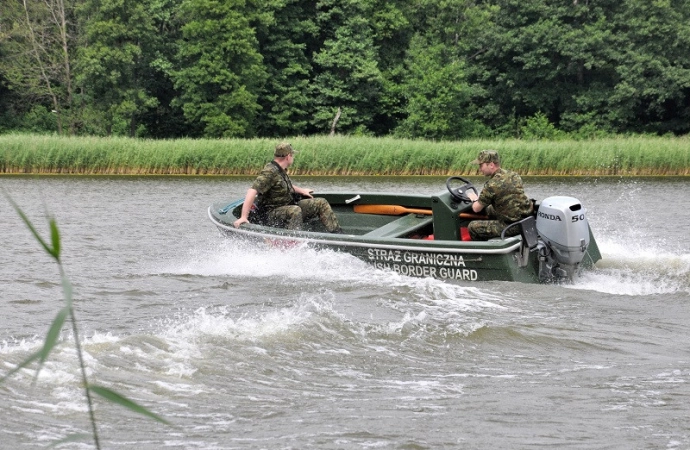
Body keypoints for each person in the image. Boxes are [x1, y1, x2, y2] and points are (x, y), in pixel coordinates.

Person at [233, 142, 342, 233]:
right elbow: (252, 190)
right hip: (271, 213)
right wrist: (244, 217)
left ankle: (338, 236)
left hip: (287, 206)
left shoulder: (280, 169)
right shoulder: (270, 171)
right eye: (292, 155)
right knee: (295, 211)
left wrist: (302, 190)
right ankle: (292, 243)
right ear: (288, 156)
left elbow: (284, 185)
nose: (293, 158)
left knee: (320, 203)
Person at [465, 149, 533, 240]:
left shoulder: (492, 184)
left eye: (481, 165)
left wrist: (474, 199)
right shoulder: (513, 175)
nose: (480, 169)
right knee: (488, 210)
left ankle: (483, 252)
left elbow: (476, 209)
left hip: (512, 226)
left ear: (491, 165)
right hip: (525, 220)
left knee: (472, 226)